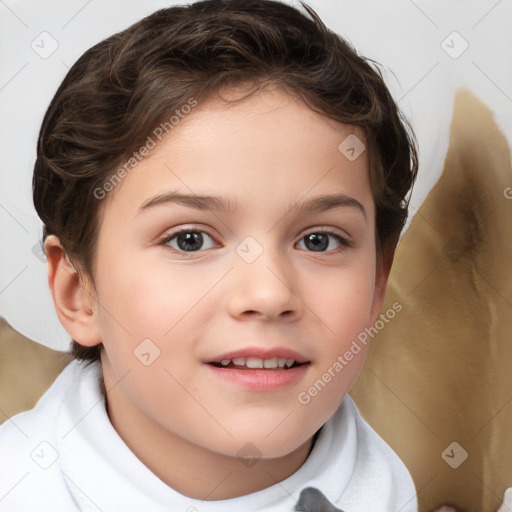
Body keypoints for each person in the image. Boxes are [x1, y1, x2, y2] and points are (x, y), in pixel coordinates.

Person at [0, 1, 419, 510]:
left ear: (378, 282)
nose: (268, 294)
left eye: (319, 240)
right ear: (79, 294)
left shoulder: (391, 490)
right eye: (190, 239)